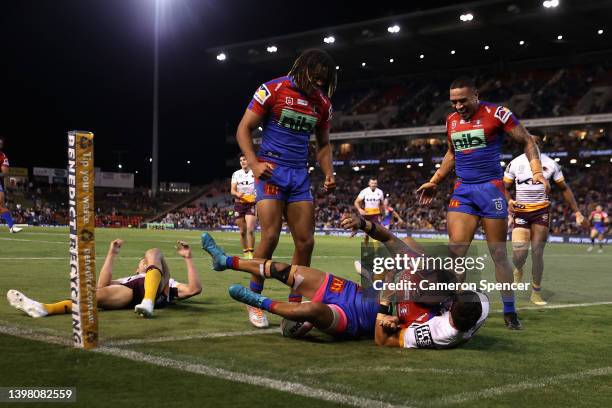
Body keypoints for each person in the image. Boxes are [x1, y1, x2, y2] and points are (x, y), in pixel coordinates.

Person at [200, 212, 489, 349]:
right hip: (350, 291)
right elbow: (388, 237)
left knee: (312, 310)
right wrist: (363, 223)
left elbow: (383, 340)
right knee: (287, 272)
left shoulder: (429, 323)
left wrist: (386, 307)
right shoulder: (420, 268)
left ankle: (258, 302)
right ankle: (224, 261)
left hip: (352, 320)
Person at [417, 77, 549, 330]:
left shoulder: (497, 114)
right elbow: (451, 153)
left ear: (476, 95)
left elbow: (527, 141)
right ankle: (454, 307)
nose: (458, 106)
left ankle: (509, 311)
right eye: (454, 102)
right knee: (455, 254)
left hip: (491, 190)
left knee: (498, 253)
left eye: (463, 100)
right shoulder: (451, 121)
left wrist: (537, 171)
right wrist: (435, 180)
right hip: (463, 190)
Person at [235, 49, 337, 328]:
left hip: (299, 176)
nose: (317, 83)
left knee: (306, 242)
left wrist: (329, 171)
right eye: (314, 77)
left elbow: (324, 144)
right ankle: (254, 299)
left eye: (323, 80)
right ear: (302, 69)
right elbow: (244, 128)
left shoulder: (323, 104)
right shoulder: (273, 89)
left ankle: (294, 307)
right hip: (270, 171)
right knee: (270, 236)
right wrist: (254, 164)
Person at [7, 240, 202, 318]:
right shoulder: (130, 278)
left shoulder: (168, 281)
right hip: (130, 294)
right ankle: (43, 309)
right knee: (93, 295)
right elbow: (102, 286)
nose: (146, 261)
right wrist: (111, 254)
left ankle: (148, 301)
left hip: (157, 290)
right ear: (137, 268)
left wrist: (188, 258)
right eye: (143, 262)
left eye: (148, 262)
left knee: (154, 251)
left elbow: (194, 289)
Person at [503, 131, 585, 305]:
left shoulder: (551, 165)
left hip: (541, 212)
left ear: (542, 144)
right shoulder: (515, 163)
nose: (532, 144)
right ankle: (518, 269)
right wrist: (509, 200)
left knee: (538, 252)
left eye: (536, 141)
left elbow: (564, 188)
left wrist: (577, 212)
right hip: (521, 212)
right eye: (529, 141)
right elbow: (503, 187)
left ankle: (536, 292)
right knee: (519, 254)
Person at [231, 154, 257, 259]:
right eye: (241, 160)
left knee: (250, 229)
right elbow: (232, 190)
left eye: (244, 159)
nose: (242, 161)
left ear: (249, 161)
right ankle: (246, 252)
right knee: (242, 232)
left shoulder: (254, 172)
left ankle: (251, 253)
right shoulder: (236, 174)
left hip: (251, 204)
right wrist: (237, 194)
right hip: (239, 204)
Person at [0, 137, 22, 233]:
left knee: (1, 203)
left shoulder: (2, 156)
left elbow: (4, 172)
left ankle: (11, 227)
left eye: (1, 143)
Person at [354, 178, 385, 245]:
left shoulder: (380, 192)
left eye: (375, 183)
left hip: (376, 215)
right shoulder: (364, 191)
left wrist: (383, 214)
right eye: (372, 183)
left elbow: (382, 204)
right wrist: (359, 209)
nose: (373, 185)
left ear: (377, 184)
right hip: (367, 214)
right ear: (369, 184)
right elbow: (356, 202)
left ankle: (376, 251)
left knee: (376, 233)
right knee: (366, 234)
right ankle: (366, 248)